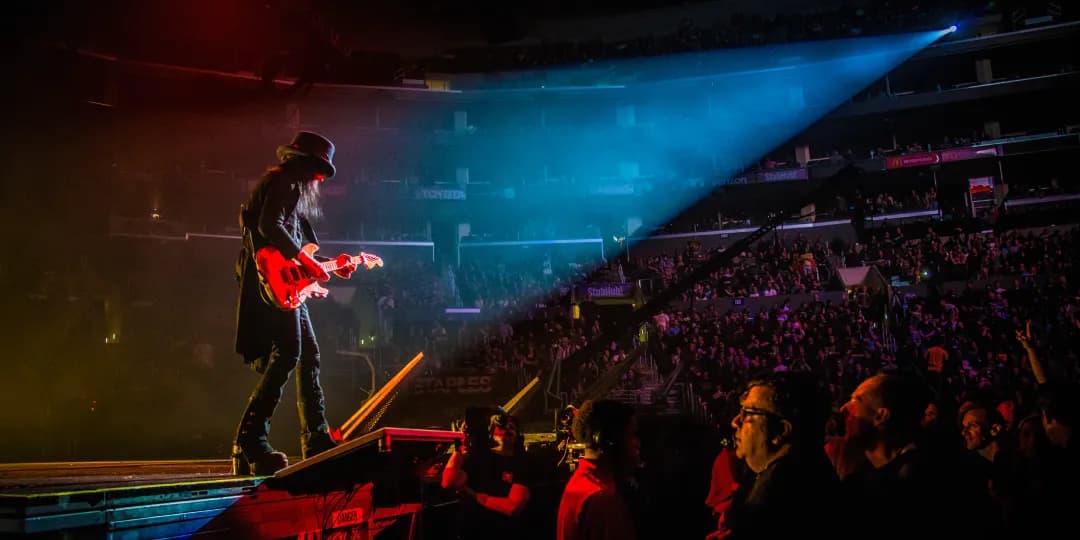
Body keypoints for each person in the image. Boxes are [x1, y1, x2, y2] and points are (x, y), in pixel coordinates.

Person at [231, 131, 358, 475]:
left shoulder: (294, 192)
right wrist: (308, 265)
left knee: (307, 354)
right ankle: (251, 441)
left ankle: (315, 437)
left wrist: (331, 264)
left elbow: (300, 250)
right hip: (269, 280)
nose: (320, 178)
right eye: (318, 170)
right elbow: (268, 225)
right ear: (304, 164)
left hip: (287, 284)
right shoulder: (284, 182)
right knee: (288, 352)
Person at [716, 371, 839, 539]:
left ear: (780, 430)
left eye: (748, 413)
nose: (736, 421)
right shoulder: (807, 469)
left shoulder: (783, 495)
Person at [441, 407, 533, 539]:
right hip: (473, 531)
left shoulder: (521, 462)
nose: (507, 428)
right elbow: (448, 481)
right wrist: (458, 448)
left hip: (505, 532)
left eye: (512, 427)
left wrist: (476, 496)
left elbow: (513, 507)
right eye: (502, 426)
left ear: (518, 435)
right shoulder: (476, 457)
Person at [556, 399, 640, 540]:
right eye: (631, 434)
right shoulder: (601, 500)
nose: (637, 444)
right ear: (609, 441)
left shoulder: (583, 484)